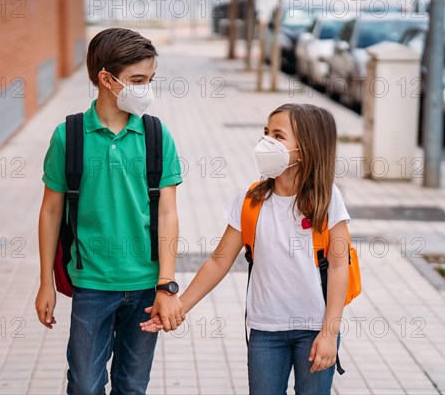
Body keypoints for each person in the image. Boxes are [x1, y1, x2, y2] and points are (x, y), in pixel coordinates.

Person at [141, 103, 351, 395]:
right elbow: (219, 261)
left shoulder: (328, 201)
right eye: (266, 133)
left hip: (315, 327)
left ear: (305, 150)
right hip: (265, 330)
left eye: (278, 136)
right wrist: (179, 307)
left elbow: (340, 266)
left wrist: (330, 333)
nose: (266, 142)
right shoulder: (250, 200)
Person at [35, 27, 184, 395]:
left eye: (149, 80)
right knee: (84, 386)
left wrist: (166, 284)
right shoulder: (68, 136)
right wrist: (45, 283)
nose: (145, 89)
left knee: (132, 386)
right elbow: (51, 211)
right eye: (137, 80)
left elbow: (167, 213)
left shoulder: (155, 135)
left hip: (146, 286)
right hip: (92, 285)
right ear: (106, 79)